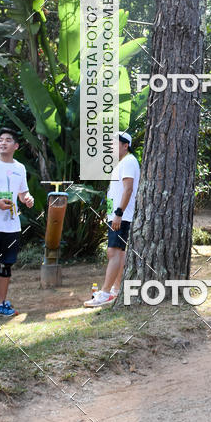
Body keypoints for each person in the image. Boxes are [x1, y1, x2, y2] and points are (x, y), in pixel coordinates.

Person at [0, 128, 34, 317]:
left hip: (10, 226)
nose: (3, 143)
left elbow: (22, 192)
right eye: (0, 140)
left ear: (16, 146)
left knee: (5, 266)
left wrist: (28, 199)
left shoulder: (19, 168)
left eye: (8, 140)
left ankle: (0, 305)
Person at [84, 132, 140, 308]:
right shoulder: (122, 163)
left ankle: (105, 293)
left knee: (113, 252)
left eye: (115, 143)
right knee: (119, 253)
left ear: (125, 145)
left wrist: (118, 213)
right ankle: (116, 290)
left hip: (122, 216)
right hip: (117, 215)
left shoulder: (129, 161)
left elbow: (128, 189)